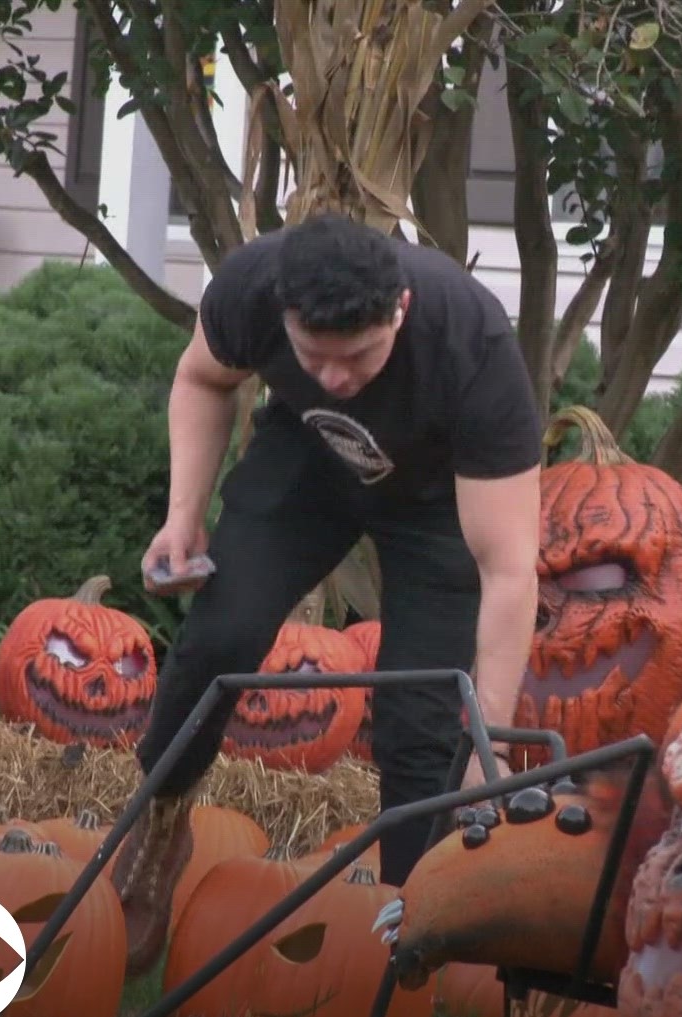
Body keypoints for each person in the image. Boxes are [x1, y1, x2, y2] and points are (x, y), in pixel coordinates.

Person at [108, 212, 543, 976]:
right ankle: (162, 816)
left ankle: (413, 932)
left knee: (423, 719)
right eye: (316, 355)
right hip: (307, 460)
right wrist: (182, 519)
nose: (337, 377)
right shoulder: (254, 282)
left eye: (359, 357)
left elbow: (509, 568)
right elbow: (202, 376)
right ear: (283, 314)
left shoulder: (470, 344)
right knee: (220, 635)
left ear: (399, 310)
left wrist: (492, 746)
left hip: (437, 506)